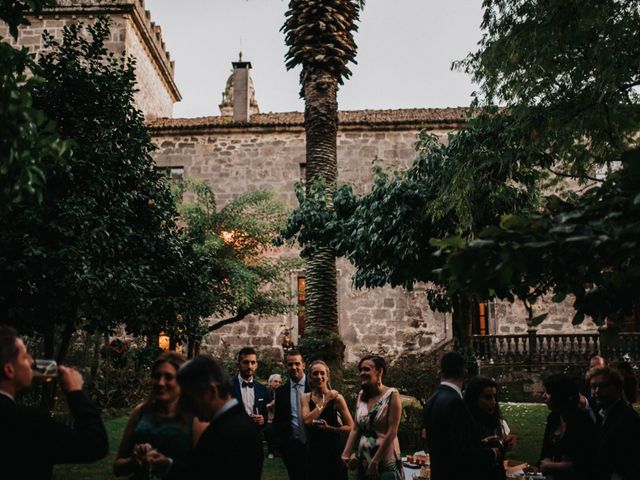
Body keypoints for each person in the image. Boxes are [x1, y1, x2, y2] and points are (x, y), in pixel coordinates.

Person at [0, 325, 108, 480]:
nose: (31, 361)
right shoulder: (29, 422)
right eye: (24, 356)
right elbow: (94, 444)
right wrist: (76, 393)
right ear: (9, 370)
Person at [114, 351, 207, 479]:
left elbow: (205, 471)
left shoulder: (196, 419)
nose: (160, 383)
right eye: (157, 376)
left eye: (168, 377)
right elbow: (117, 467)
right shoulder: (141, 412)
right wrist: (133, 461)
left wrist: (169, 465)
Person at [177, 354, 263, 480]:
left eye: (189, 398)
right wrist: (168, 464)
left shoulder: (227, 432)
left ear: (211, 392)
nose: (187, 406)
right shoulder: (237, 421)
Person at [422, 351, 496, 480]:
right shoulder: (455, 402)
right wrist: (492, 453)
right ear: (465, 372)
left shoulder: (433, 399)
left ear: (441, 372)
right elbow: (462, 452)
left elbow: (447, 439)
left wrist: (478, 442)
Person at [341, 355, 403, 480]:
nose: (362, 373)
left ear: (380, 372)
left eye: (366, 369)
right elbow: (356, 428)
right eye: (361, 370)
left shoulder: (392, 395)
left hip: (385, 462)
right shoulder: (361, 395)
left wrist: (375, 461)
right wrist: (346, 453)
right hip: (364, 459)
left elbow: (392, 432)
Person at [300, 360, 353, 480]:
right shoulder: (305, 398)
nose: (319, 377)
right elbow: (307, 421)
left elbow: (351, 427)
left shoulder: (338, 398)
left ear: (327, 376)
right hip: (314, 450)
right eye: (315, 373)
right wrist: (325, 401)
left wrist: (330, 428)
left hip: (333, 450)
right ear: (310, 377)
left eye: (322, 373)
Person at [538, 373, 596, 480]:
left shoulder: (582, 421)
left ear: (560, 395)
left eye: (548, 393)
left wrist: (552, 465)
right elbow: (545, 454)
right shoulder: (553, 418)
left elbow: (585, 462)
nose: (544, 396)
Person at [590, 366, 640, 480]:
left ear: (617, 389)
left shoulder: (627, 418)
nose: (597, 391)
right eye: (593, 386)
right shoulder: (602, 415)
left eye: (603, 386)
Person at [464, 376, 515, 480]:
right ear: (474, 399)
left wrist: (504, 444)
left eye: (494, 397)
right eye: (487, 397)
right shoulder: (465, 424)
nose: (493, 402)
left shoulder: (494, 422)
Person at [273, 348, 310, 480]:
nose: (294, 367)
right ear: (286, 366)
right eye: (290, 364)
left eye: (297, 364)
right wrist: (281, 445)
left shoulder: (315, 386)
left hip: (313, 445)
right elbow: (278, 419)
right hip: (291, 446)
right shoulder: (281, 392)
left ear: (303, 365)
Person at [231, 347, 268, 426]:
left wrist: (263, 419)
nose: (250, 366)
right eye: (246, 362)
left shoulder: (262, 389)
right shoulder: (228, 387)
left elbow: (266, 415)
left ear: (256, 365)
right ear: (238, 365)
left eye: (253, 362)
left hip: (255, 436)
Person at [265, 373, 283, 459]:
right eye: (276, 381)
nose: (278, 383)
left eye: (280, 382)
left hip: (280, 418)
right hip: (269, 418)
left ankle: (279, 450)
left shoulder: (282, 392)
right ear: (270, 382)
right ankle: (270, 451)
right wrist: (271, 404)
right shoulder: (265, 392)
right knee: (269, 429)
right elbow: (262, 407)